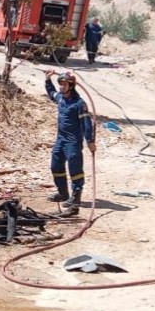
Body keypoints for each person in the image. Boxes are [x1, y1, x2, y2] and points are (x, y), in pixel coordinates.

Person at [44, 71, 96, 216]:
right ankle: (63, 193)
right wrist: (48, 80)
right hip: (60, 139)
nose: (61, 86)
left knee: (75, 169)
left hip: (73, 141)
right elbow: (51, 93)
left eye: (65, 84)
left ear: (71, 86)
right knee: (56, 165)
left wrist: (90, 141)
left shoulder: (79, 104)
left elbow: (86, 124)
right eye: (60, 84)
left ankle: (76, 198)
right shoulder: (60, 98)